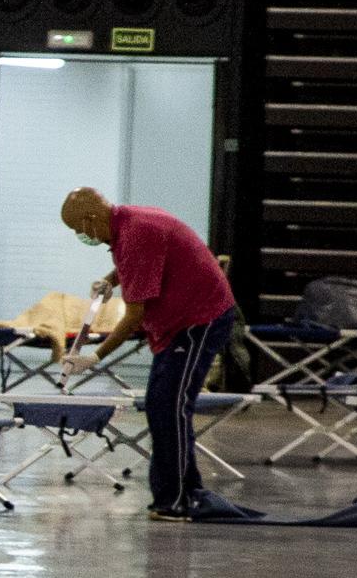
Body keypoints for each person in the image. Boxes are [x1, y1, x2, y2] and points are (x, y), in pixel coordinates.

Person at [60, 186, 237, 522]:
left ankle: (178, 500)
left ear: (91, 217)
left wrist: (96, 357)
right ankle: (182, 494)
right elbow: (139, 264)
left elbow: (134, 315)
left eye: (78, 229)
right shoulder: (125, 225)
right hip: (180, 323)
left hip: (200, 319)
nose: (82, 236)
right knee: (161, 405)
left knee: (171, 406)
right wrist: (111, 280)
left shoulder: (136, 233)